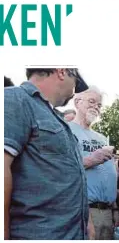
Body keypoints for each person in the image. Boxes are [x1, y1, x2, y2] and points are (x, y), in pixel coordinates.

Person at [4, 68, 93, 240]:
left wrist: (86, 222)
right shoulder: (14, 99)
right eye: (75, 82)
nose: (74, 91)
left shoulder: (55, 118)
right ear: (62, 71)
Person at [69, 87, 118, 240]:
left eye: (99, 105)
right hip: (83, 212)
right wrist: (91, 160)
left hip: (107, 212)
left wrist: (115, 210)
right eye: (92, 101)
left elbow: (110, 175)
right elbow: (61, 170)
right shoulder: (67, 131)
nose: (96, 107)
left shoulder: (102, 138)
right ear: (77, 102)